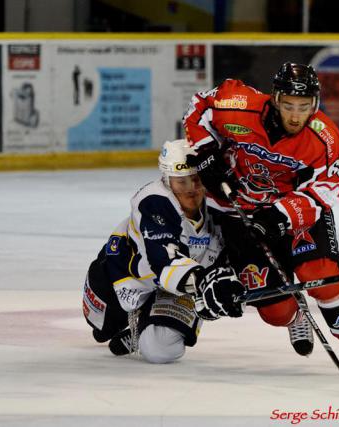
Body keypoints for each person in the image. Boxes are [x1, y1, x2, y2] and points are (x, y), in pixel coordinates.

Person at [182, 62, 339, 374]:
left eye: (304, 107)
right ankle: (295, 316)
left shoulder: (325, 139)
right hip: (236, 210)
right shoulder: (240, 107)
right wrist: (205, 153)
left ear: (315, 104)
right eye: (289, 106)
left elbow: (331, 186)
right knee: (274, 309)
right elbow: (200, 106)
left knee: (320, 276)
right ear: (275, 99)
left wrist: (283, 214)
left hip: (295, 211)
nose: (296, 116)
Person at [82, 139, 245, 364]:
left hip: (179, 287)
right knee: (101, 329)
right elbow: (162, 260)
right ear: (167, 180)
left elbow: (239, 254)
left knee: (160, 350)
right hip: (126, 276)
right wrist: (203, 282)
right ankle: (137, 317)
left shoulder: (219, 203)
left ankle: (142, 330)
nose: (191, 189)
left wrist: (225, 287)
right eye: (182, 181)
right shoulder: (154, 201)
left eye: (196, 180)